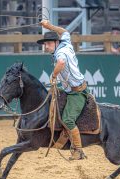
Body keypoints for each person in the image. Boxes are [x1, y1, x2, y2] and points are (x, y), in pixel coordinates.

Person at [37, 20, 87, 160]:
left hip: (77, 92)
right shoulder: (65, 42)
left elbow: (61, 62)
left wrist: (53, 75)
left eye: (48, 43)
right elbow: (65, 32)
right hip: (70, 89)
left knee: (68, 119)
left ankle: (78, 150)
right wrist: (48, 26)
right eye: (45, 44)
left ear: (55, 42)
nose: (46, 47)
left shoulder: (61, 52)